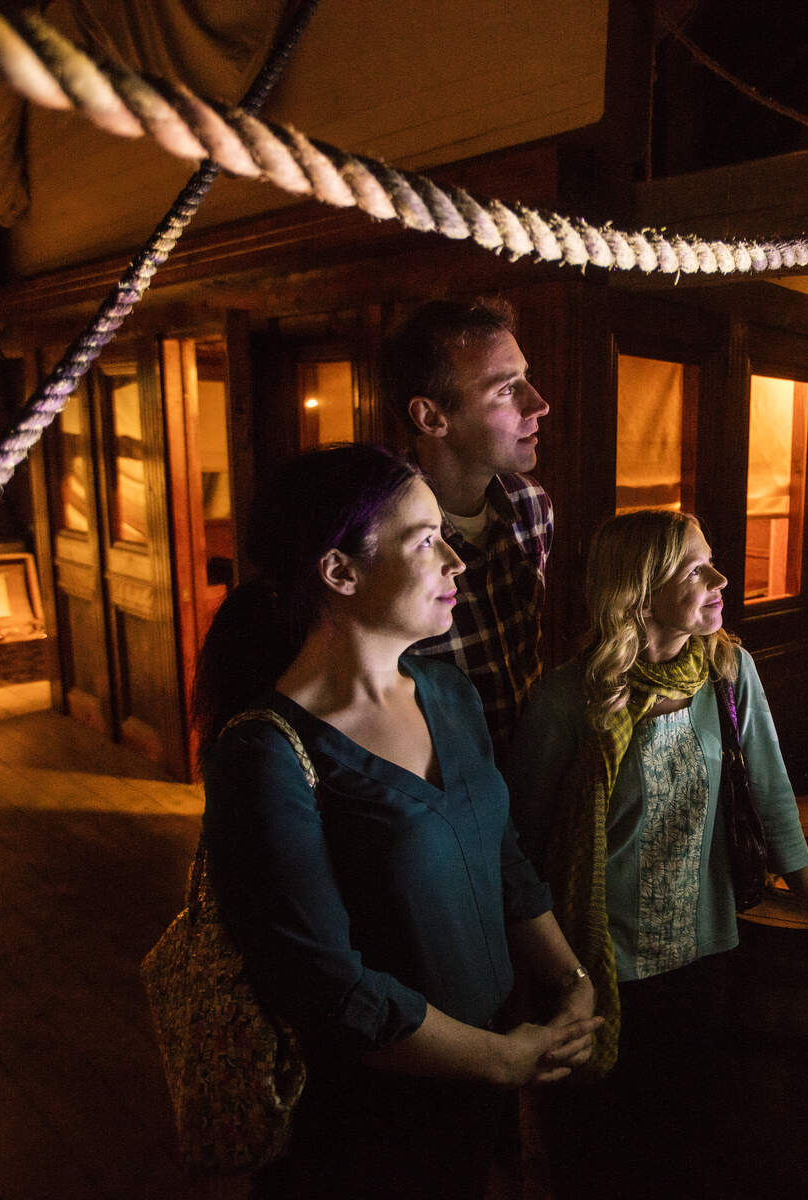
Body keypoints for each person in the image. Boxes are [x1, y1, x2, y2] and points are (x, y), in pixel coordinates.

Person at [193, 444, 599, 1199]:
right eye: (424, 541)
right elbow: (327, 985)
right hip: (366, 1122)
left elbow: (501, 858)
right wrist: (498, 1058)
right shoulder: (265, 755)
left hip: (481, 1087)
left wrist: (570, 978)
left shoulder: (447, 692)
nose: (456, 561)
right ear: (339, 572)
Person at [506, 509, 808, 1199]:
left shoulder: (728, 673)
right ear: (640, 593)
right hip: (599, 965)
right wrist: (548, 976)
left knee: (683, 1138)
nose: (721, 578)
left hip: (703, 953)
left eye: (711, 561)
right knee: (595, 1149)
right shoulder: (568, 701)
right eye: (695, 568)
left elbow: (772, 799)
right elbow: (519, 854)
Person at [381, 297, 553, 759]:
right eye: (505, 389)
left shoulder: (529, 503)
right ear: (432, 418)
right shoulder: (379, 530)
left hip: (528, 782)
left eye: (526, 378)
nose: (538, 403)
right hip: (438, 792)